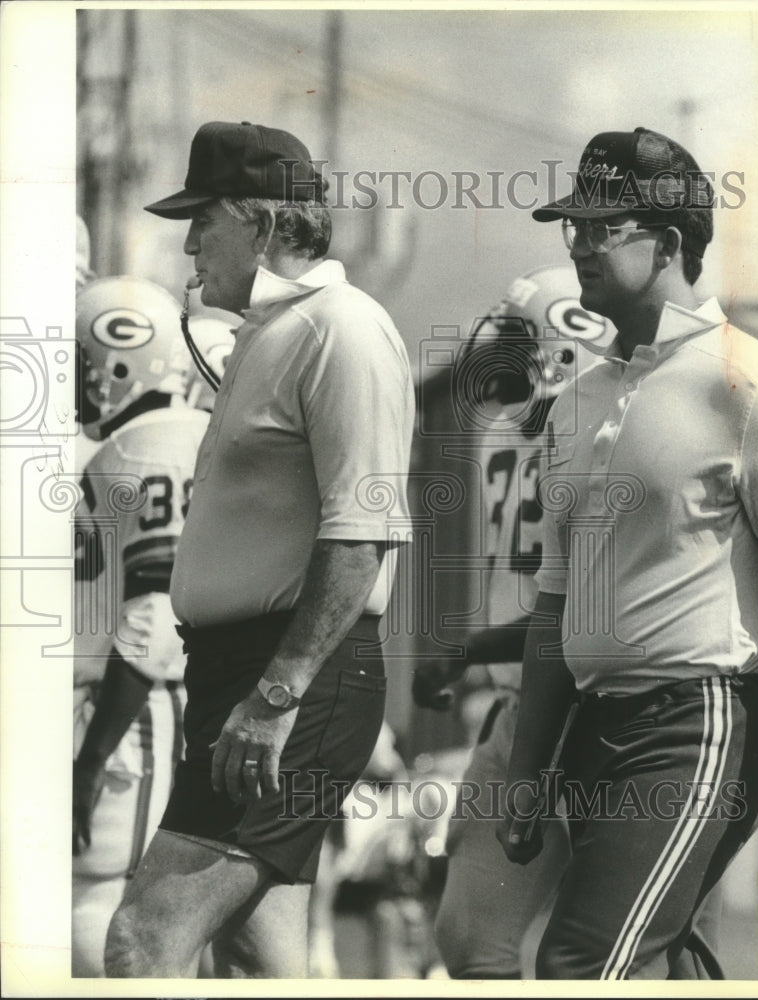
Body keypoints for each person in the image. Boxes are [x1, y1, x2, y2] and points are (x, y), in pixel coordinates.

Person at [104, 120, 415, 978]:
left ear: (264, 221)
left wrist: (277, 696)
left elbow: (363, 530)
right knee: (255, 956)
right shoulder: (275, 331)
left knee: (142, 940)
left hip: (289, 680)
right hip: (246, 676)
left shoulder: (342, 328)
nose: (189, 244)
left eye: (203, 219)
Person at [497, 127, 758, 979]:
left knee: (582, 964)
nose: (578, 244)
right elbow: (555, 602)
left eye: (601, 227)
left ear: (671, 242)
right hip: (594, 728)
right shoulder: (577, 400)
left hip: (698, 724)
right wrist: (526, 769)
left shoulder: (747, 382)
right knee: (663, 964)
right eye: (572, 227)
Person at [412, 265, 610, 978]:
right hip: (520, 705)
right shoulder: (503, 435)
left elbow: (579, 611)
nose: (491, 358)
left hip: (600, 712)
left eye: (512, 342)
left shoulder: (606, 437)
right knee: (470, 936)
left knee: (625, 953)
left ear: (560, 350)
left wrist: (465, 651)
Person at [72, 276, 211, 976]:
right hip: (116, 703)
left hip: (128, 712)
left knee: (97, 916)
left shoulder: (154, 446)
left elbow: (154, 617)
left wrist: (91, 756)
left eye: (81, 361)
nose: (73, 381)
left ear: (119, 362)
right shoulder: (144, 442)